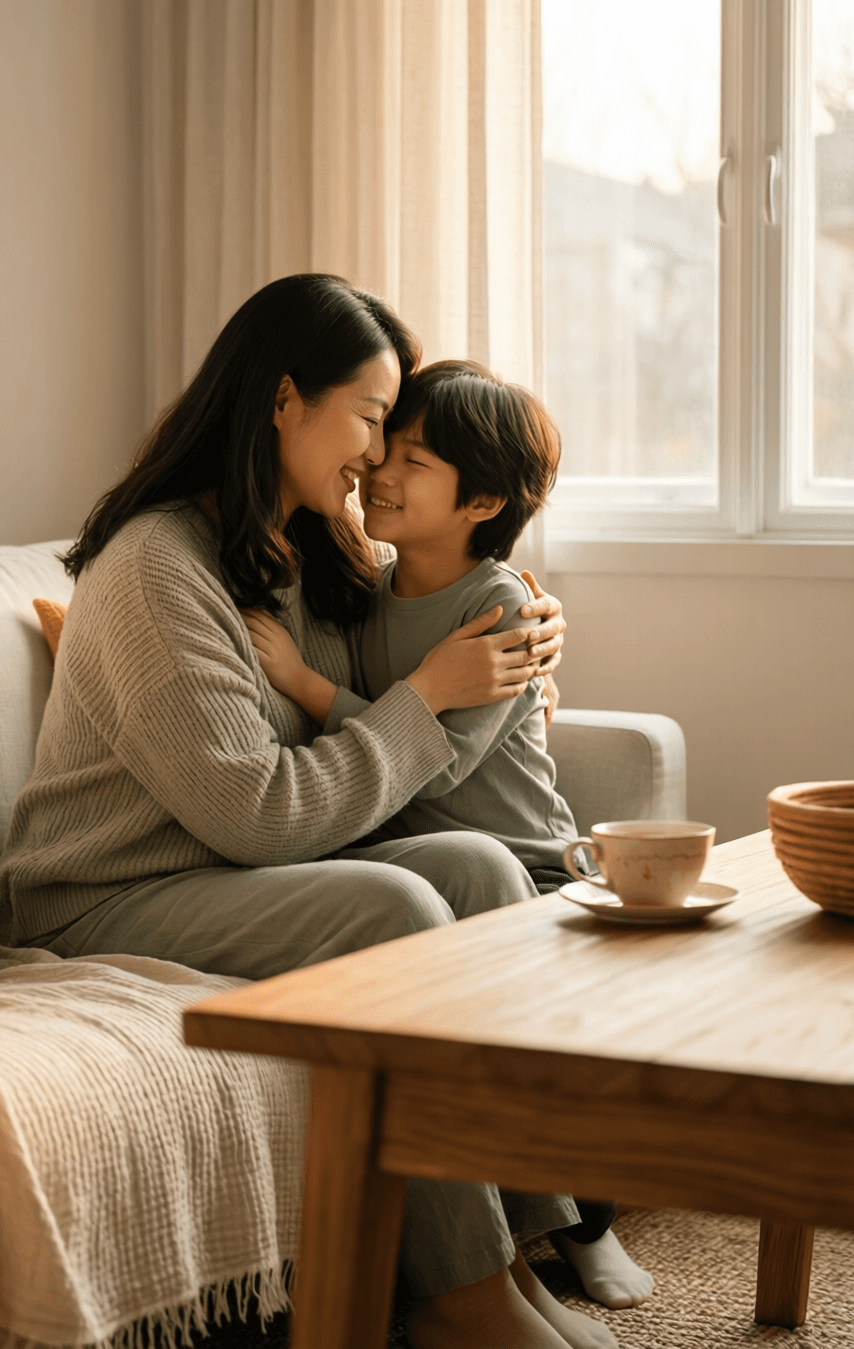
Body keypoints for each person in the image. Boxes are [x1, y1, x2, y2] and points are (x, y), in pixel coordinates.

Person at [0, 274, 616, 1349]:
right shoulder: (154, 568)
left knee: (478, 871)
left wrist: (519, 629)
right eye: (371, 420)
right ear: (284, 401)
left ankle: (509, 1262)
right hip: (111, 893)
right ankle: (458, 1306)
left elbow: (447, 594)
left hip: (218, 873)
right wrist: (425, 700)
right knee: (396, 911)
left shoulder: (309, 547)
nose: (377, 457)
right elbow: (259, 815)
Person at [243, 360, 654, 1314]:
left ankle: (586, 1229)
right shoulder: (364, 582)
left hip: (533, 867)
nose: (381, 468)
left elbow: (442, 761)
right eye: (387, 444)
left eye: (414, 457)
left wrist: (307, 687)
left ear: (483, 501)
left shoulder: (498, 604)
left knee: (543, 1038)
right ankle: (515, 1250)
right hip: (422, 856)